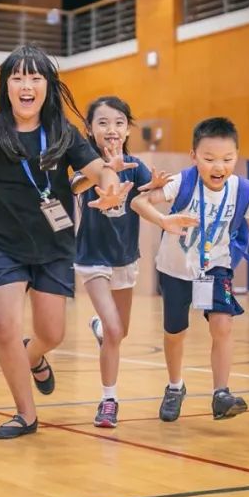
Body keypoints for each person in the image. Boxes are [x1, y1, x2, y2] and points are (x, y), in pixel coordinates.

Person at [0, 44, 130, 439]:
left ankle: (35, 356)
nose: (26, 85)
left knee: (52, 335)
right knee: (4, 328)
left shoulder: (62, 133)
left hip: (53, 244)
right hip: (1, 244)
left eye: (35, 77)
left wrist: (111, 182)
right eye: (18, 77)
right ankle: (26, 415)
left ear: (48, 85)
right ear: (7, 86)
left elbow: (96, 167)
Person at [131, 117, 249, 424]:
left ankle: (221, 393)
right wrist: (164, 221)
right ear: (194, 156)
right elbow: (139, 202)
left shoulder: (242, 189)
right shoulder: (182, 183)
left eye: (227, 159)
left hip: (216, 267)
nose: (219, 167)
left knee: (223, 326)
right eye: (209, 159)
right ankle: (175, 386)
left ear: (237, 156)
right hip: (175, 269)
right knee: (175, 333)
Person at [71, 95, 171, 428]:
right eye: (102, 122)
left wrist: (155, 189)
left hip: (124, 258)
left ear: (128, 128)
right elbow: (74, 185)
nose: (111, 129)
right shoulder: (87, 163)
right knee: (116, 330)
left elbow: (144, 198)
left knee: (119, 331)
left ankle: (100, 327)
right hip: (92, 258)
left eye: (118, 122)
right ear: (90, 129)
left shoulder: (137, 164)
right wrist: (104, 172)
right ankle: (108, 400)